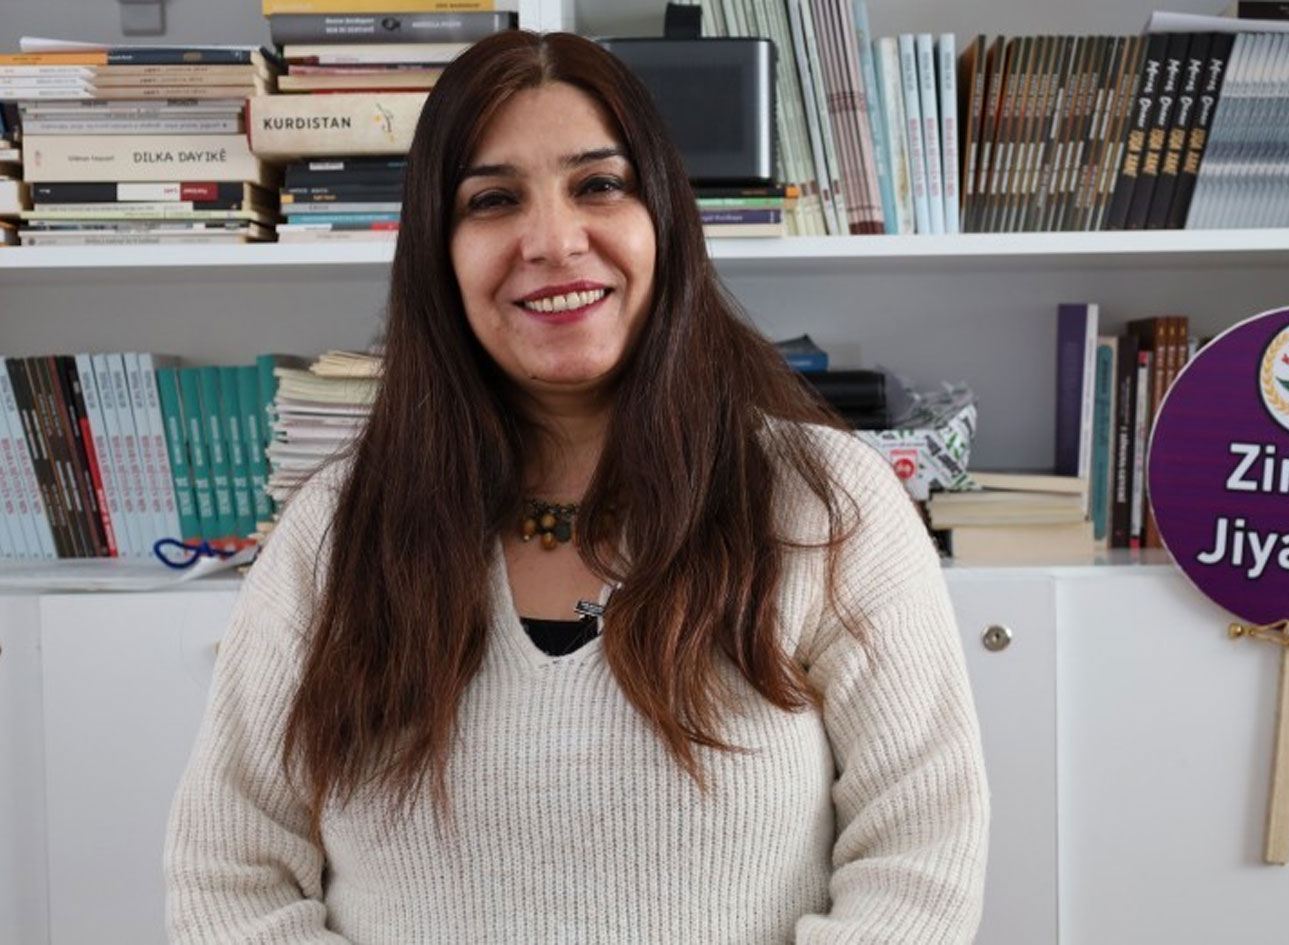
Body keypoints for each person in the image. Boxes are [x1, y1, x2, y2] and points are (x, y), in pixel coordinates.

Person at [164, 29, 989, 944]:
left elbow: (919, 861)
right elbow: (231, 874)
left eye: (599, 185)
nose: (554, 242)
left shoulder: (825, 503)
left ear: (664, 218)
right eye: (492, 199)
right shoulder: (333, 532)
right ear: (438, 252)